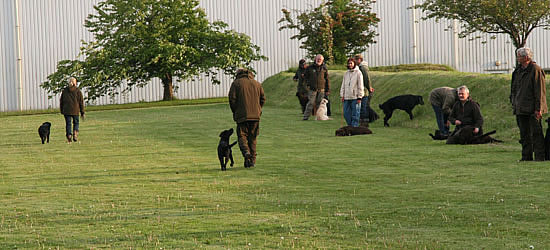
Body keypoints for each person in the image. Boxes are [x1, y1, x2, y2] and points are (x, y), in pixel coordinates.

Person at [510, 47, 547, 161]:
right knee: (524, 134)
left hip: (532, 108)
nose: (517, 58)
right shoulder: (518, 71)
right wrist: (513, 101)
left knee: (536, 133)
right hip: (520, 108)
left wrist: (539, 108)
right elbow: (514, 88)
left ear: (526, 57)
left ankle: (540, 157)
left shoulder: (536, 70)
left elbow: (539, 91)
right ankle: (526, 156)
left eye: (519, 56)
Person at [228, 68, 266, 168]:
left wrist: (235, 111)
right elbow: (263, 98)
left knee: (242, 136)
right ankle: (252, 161)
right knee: (253, 138)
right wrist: (258, 109)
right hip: (255, 116)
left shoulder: (236, 83)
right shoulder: (257, 83)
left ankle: (246, 152)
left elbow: (232, 99)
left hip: (242, 115)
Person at [303, 54, 330, 120]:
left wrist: (327, 90)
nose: (319, 60)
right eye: (318, 59)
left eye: (320, 59)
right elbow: (305, 77)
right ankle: (306, 117)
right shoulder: (310, 68)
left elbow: (327, 79)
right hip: (312, 89)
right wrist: (307, 86)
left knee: (319, 104)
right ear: (315, 59)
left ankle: (319, 117)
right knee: (311, 103)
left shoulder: (324, 68)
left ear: (322, 60)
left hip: (321, 89)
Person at [340, 58, 364, 127]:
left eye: (351, 63)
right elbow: (343, 85)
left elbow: (360, 85)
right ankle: (350, 126)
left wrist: (360, 96)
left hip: (355, 97)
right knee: (346, 113)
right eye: (349, 63)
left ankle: (354, 127)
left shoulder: (358, 73)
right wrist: (342, 95)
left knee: (355, 114)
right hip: (347, 97)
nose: (350, 65)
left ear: (354, 64)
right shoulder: (346, 73)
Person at [60, 77, 85, 143]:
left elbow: (61, 101)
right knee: (76, 123)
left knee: (68, 124)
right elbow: (81, 102)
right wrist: (82, 112)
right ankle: (75, 133)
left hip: (66, 110)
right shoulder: (77, 91)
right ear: (75, 83)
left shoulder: (64, 91)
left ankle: (69, 135)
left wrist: (62, 110)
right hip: (75, 110)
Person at [354, 54, 374, 126]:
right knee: (362, 106)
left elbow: (366, 79)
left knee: (363, 107)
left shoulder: (363, 68)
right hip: (361, 90)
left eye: (356, 59)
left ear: (360, 60)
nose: (355, 61)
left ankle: (365, 122)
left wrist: (369, 88)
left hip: (364, 90)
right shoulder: (359, 67)